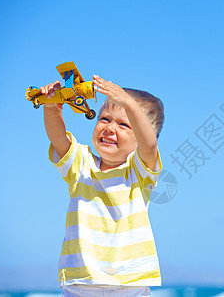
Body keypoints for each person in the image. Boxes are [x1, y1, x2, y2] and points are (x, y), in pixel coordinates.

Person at [41, 74, 165, 297]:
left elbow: (149, 144)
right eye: (105, 119)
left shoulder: (139, 172)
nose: (109, 128)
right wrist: (51, 107)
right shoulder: (81, 165)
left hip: (130, 283)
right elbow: (58, 138)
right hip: (80, 283)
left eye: (124, 124)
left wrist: (126, 101)